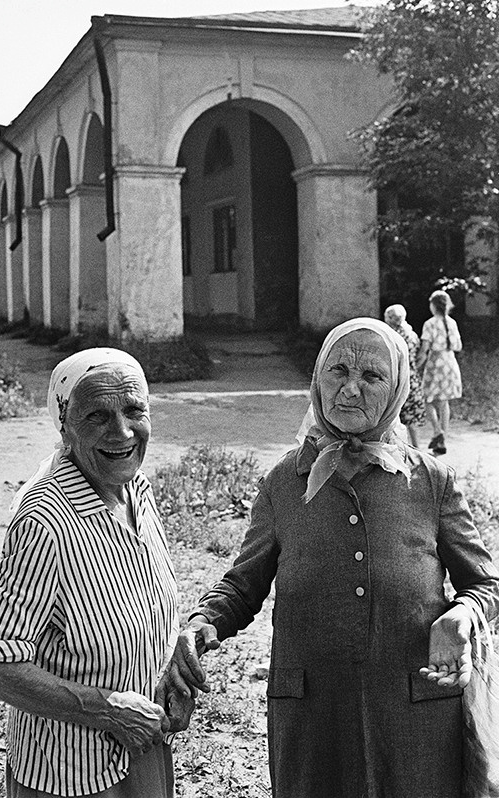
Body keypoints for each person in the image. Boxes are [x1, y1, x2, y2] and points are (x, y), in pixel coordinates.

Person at [164, 318, 499, 798]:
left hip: (415, 709)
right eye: (337, 371)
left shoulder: (431, 481)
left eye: (372, 377)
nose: (350, 389)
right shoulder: (284, 480)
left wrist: (464, 614)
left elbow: (487, 584)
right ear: (317, 379)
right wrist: (202, 623)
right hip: (312, 711)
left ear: (399, 387)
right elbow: (243, 583)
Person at [0, 348, 191, 798]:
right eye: (96, 416)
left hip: (141, 751)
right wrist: (110, 710)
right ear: (65, 427)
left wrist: (169, 664)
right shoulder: (46, 521)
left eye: (134, 410)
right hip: (69, 773)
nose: (121, 431)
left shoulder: (135, 487)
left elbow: (143, 605)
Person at [418, 289, 463, 455]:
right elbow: (458, 346)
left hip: (435, 363)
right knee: (443, 402)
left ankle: (437, 431)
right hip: (449, 362)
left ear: (433, 305)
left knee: (426, 398)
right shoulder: (452, 322)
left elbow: (424, 349)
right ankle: (442, 438)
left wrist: (416, 364)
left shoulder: (429, 324)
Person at [384, 303, 426, 447]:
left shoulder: (391, 336)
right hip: (412, 378)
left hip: (396, 378)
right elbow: (421, 356)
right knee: (412, 419)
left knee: (392, 417)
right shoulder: (412, 334)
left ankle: (396, 449)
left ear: (390, 319)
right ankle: (417, 449)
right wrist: (412, 368)